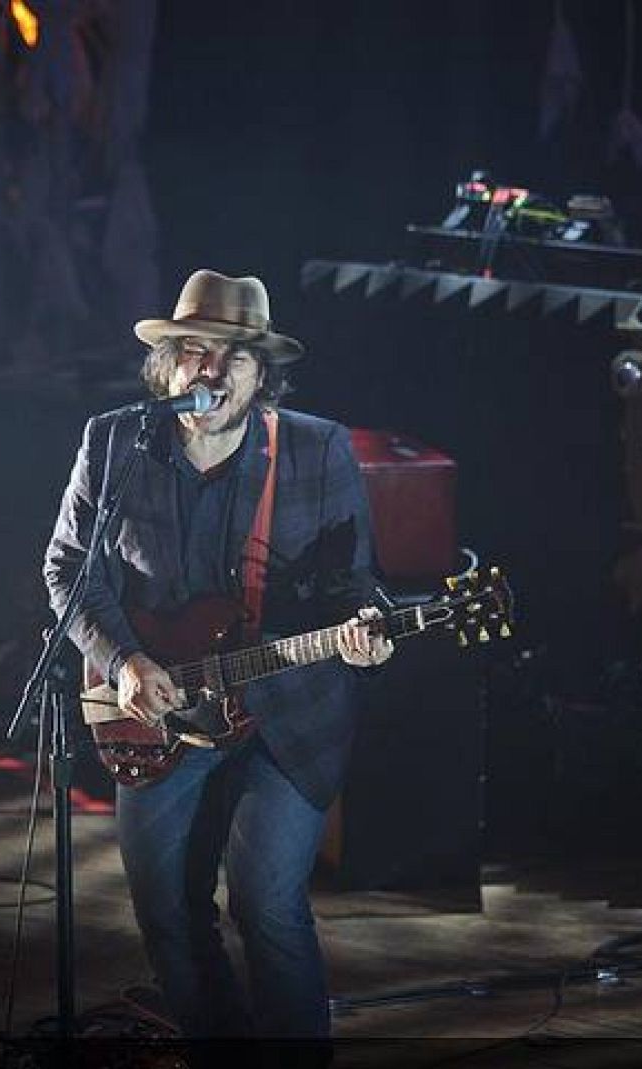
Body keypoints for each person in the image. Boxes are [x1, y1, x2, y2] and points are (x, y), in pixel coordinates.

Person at [43, 269, 393, 1039]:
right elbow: (69, 568)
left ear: (261, 375)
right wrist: (125, 661)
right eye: (194, 351)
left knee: (264, 901)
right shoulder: (114, 442)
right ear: (165, 368)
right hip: (155, 713)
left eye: (233, 356)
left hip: (287, 714)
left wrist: (365, 626)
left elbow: (352, 579)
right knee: (166, 911)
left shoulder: (315, 448)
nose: (210, 371)